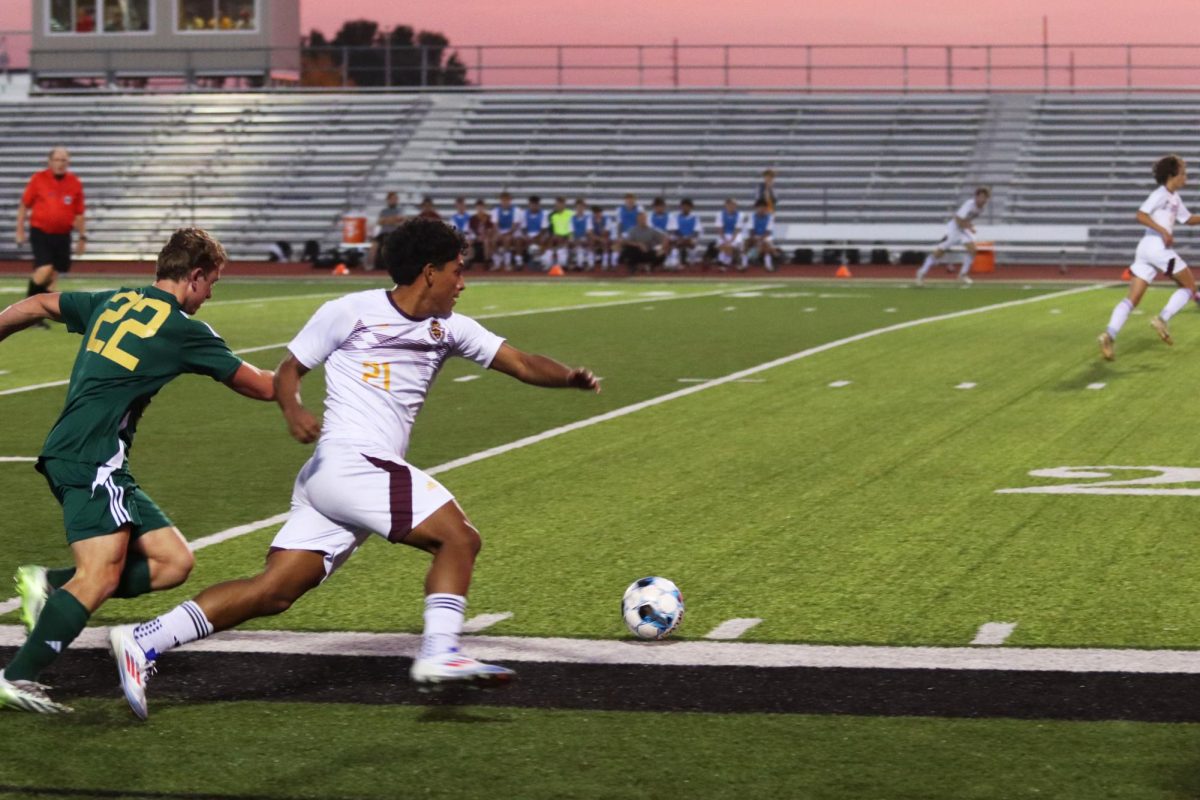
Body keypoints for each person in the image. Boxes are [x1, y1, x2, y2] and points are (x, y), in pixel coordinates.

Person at [110, 218, 600, 719]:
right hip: (352, 463)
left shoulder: (449, 328)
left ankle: (146, 638)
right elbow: (288, 369)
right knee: (459, 538)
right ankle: (439, 653)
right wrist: (293, 409)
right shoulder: (351, 311)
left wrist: (569, 378)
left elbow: (518, 361)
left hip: (338, 480)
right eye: (457, 271)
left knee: (274, 591)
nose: (463, 282)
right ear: (429, 273)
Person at [0, 228, 277, 714]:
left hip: (98, 460)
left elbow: (40, 303)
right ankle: (19, 676)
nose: (211, 293)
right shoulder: (184, 329)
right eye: (212, 281)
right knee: (100, 576)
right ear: (193, 276)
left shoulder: (115, 299)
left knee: (173, 562)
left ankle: (48, 584)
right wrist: (323, 359)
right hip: (89, 456)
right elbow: (262, 387)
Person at [1099, 155, 1200, 361]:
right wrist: (1163, 230)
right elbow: (1141, 215)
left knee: (1132, 300)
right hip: (1157, 247)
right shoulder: (1160, 194)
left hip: (1145, 250)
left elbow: (1187, 219)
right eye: (1183, 172)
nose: (1186, 176)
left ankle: (1109, 335)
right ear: (1172, 175)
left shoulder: (1174, 198)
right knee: (1189, 287)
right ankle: (1162, 319)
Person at [17, 148, 87, 315]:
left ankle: (42, 313)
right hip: (41, 232)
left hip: (63, 235)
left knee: (53, 275)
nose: (60, 164)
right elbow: (24, 205)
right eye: (57, 160)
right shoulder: (38, 179)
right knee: (45, 270)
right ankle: (25, 309)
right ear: (49, 162)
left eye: (64, 160)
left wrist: (82, 237)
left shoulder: (74, 183)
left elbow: (79, 213)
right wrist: (20, 230)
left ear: (68, 163)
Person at [915, 187, 991, 286]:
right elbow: (958, 218)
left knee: (972, 250)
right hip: (954, 229)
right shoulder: (969, 204)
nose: (982, 199)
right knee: (939, 252)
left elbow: (967, 219)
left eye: (984, 197)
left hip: (962, 230)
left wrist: (969, 226)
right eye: (980, 196)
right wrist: (969, 227)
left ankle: (962, 274)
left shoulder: (981, 209)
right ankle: (922, 272)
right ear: (976, 197)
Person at [367, 192, 405, 272]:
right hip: (383, 233)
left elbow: (400, 220)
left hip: (395, 233)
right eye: (392, 199)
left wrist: (387, 220)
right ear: (388, 200)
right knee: (374, 245)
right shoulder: (384, 211)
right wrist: (392, 219)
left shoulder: (400, 210)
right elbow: (380, 221)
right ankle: (370, 265)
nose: (393, 201)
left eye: (395, 199)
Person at [490, 191, 525, 270]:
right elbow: (495, 225)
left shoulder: (516, 210)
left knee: (507, 239)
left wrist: (507, 234)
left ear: (510, 200)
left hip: (513, 231)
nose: (505, 202)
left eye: (507, 200)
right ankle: (496, 262)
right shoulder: (496, 211)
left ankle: (507, 263)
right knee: (493, 240)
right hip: (501, 231)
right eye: (503, 200)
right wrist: (499, 234)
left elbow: (515, 225)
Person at [743, 198, 780, 272]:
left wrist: (760, 240)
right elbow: (751, 230)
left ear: (766, 209)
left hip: (766, 237)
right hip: (754, 236)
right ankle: (744, 264)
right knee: (746, 243)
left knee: (766, 244)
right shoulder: (751, 217)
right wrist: (756, 239)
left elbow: (768, 231)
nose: (762, 210)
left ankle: (768, 265)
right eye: (760, 208)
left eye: (764, 208)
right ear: (756, 208)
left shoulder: (770, 217)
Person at [667, 198, 704, 270]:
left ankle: (691, 263)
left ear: (691, 207)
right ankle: (677, 263)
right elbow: (673, 230)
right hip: (679, 238)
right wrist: (682, 238)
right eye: (683, 206)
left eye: (687, 206)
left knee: (692, 244)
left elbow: (697, 231)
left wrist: (688, 238)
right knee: (675, 244)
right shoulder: (675, 217)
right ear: (680, 207)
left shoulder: (695, 218)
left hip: (690, 239)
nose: (685, 208)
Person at [714, 198, 747, 271]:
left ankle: (723, 264)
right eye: (731, 204)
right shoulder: (719, 214)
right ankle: (737, 262)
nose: (733, 206)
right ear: (726, 205)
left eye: (735, 205)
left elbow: (737, 229)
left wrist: (731, 240)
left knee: (730, 246)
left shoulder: (740, 215)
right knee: (724, 246)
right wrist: (725, 239)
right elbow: (720, 229)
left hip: (736, 235)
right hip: (724, 234)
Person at [467, 198, 496, 267]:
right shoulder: (473, 218)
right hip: (476, 236)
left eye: (481, 207)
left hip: (486, 236)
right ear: (476, 208)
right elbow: (470, 230)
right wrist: (476, 237)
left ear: (484, 207)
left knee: (486, 241)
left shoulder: (488, 217)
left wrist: (485, 235)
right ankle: (469, 260)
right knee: (468, 241)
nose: (480, 208)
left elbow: (490, 229)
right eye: (478, 207)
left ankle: (487, 260)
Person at [547, 196, 573, 269]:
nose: (559, 205)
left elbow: (573, 228)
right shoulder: (552, 215)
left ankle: (567, 261)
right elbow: (551, 230)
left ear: (564, 204)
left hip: (569, 236)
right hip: (557, 238)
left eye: (561, 204)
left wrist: (568, 236)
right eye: (557, 204)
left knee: (566, 240)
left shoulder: (570, 214)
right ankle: (550, 260)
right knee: (552, 239)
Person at [569, 199, 593, 270]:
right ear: (575, 208)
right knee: (571, 243)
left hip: (584, 239)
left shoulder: (588, 218)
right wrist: (574, 240)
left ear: (584, 208)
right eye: (578, 207)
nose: (580, 209)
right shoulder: (572, 219)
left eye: (581, 207)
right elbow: (571, 233)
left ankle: (588, 263)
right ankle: (572, 262)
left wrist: (583, 240)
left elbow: (589, 232)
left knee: (589, 243)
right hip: (575, 239)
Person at [590, 205, 615, 270]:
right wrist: (599, 239)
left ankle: (605, 264)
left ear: (601, 212)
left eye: (598, 212)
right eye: (595, 212)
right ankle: (591, 263)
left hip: (606, 238)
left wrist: (600, 238)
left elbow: (606, 233)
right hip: (597, 238)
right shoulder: (590, 219)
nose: (596, 214)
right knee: (591, 242)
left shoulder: (607, 219)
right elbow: (590, 233)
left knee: (605, 242)